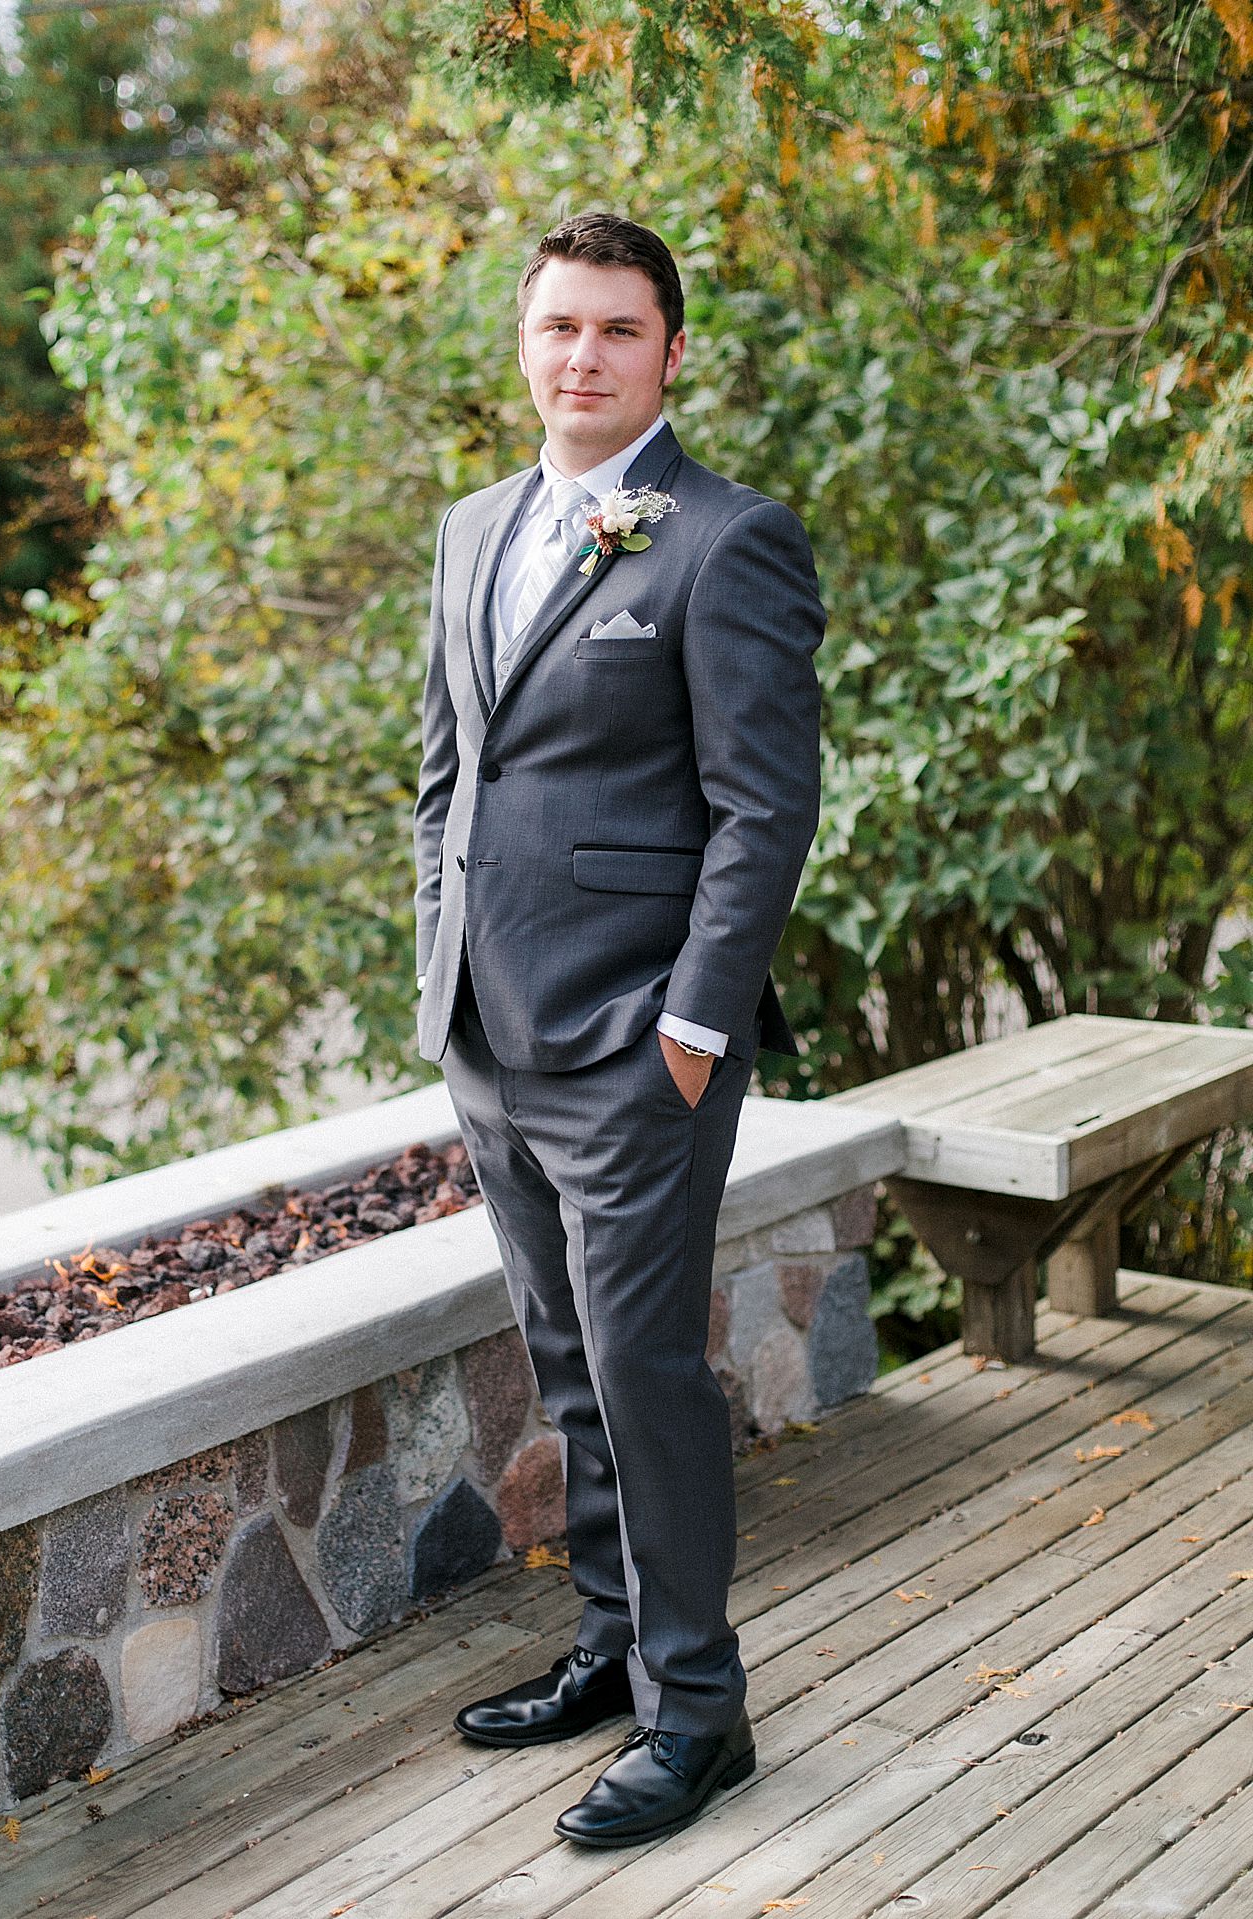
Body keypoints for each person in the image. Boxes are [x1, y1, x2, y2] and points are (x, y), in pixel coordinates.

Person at [412, 210, 824, 1847]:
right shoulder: (472, 528)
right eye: (559, 326)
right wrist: (438, 965)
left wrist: (693, 1030)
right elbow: (448, 775)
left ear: (671, 352)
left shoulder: (728, 541)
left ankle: (700, 1713)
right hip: (488, 1035)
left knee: (645, 1372)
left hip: (639, 1045)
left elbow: (764, 810)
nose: (582, 356)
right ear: (525, 341)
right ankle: (611, 1646)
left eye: (617, 330)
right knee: (566, 1359)